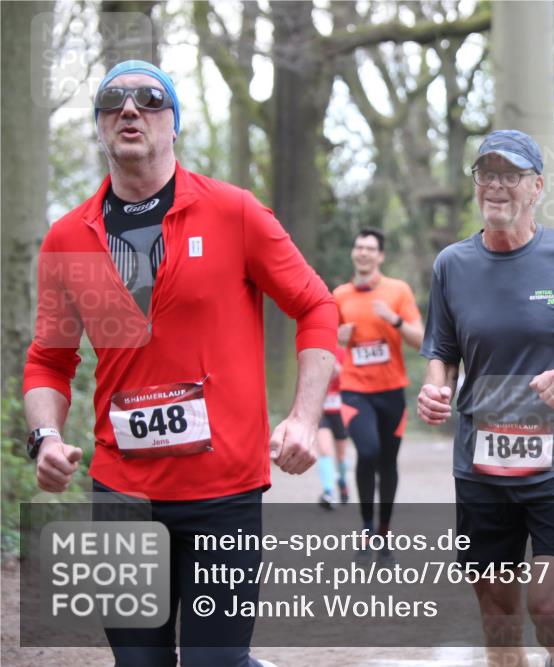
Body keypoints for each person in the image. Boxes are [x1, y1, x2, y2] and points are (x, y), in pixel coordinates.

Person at [23, 60, 337, 667]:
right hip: (121, 493)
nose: (129, 109)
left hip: (223, 492)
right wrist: (45, 438)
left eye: (149, 99)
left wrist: (303, 418)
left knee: (211, 663)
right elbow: (50, 361)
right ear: (99, 127)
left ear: (174, 124)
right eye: (112, 101)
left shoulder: (232, 213)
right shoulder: (70, 238)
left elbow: (316, 305)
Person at [417, 130, 554, 667]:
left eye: (510, 175)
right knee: (498, 619)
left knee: (549, 604)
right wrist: (434, 386)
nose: (495, 186)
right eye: (486, 175)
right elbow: (441, 350)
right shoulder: (452, 265)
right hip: (481, 465)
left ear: (536, 187)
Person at [332, 229, 424, 565]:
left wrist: (395, 319)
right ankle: (366, 528)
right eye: (359, 247)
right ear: (353, 253)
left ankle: (383, 531)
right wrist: (337, 339)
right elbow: (327, 348)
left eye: (370, 248)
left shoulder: (397, 291)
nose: (364, 253)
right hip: (355, 390)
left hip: (391, 392)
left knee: (387, 463)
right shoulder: (339, 295)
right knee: (367, 452)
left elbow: (421, 339)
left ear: (380, 256)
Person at [317, 345, 351, 508]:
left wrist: (340, 372)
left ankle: (342, 481)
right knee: (324, 450)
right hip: (322, 410)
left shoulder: (343, 352)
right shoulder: (314, 351)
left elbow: (354, 379)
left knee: (341, 455)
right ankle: (328, 492)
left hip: (340, 409)